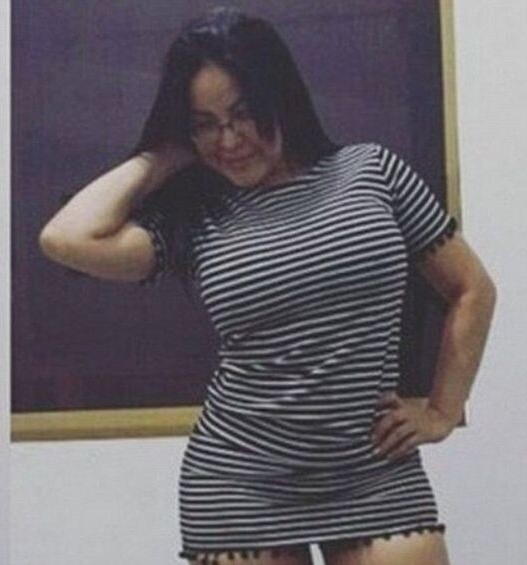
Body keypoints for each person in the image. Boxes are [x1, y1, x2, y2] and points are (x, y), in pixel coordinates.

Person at [38, 7, 496, 565]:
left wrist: (443, 410)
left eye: (243, 113)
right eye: (205, 123)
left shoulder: (373, 173)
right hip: (239, 479)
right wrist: (166, 152)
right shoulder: (196, 217)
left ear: (280, 98)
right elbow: (64, 238)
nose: (229, 139)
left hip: (372, 470)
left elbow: (471, 288)